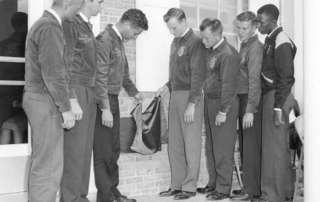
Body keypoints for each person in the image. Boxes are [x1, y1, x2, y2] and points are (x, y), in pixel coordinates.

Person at [22, 0, 84, 201]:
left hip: (41, 97)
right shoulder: (50, 27)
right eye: (79, 5)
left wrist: (71, 99)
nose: (79, 10)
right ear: (68, 3)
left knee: (46, 162)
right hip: (44, 99)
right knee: (48, 166)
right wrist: (65, 107)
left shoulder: (47, 24)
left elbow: (60, 69)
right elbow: (53, 72)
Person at [93, 8, 148, 202]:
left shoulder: (118, 42)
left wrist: (135, 93)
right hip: (104, 100)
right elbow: (99, 77)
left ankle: (114, 193)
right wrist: (104, 108)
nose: (134, 38)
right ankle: (105, 197)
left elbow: (123, 75)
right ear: (126, 25)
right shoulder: (105, 40)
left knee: (114, 150)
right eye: (135, 33)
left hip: (113, 99)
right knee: (103, 151)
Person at [157, 8, 207, 200]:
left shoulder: (195, 43)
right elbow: (178, 72)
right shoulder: (175, 42)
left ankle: (190, 186)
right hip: (176, 94)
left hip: (190, 97)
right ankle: (176, 184)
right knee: (175, 143)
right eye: (169, 28)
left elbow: (198, 76)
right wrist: (167, 86)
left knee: (191, 144)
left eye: (174, 27)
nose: (172, 31)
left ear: (184, 21)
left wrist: (192, 104)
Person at [252, 4, 297, 202]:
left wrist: (278, 106)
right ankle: (284, 193)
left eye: (260, 22)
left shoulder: (281, 39)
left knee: (274, 149)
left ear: (272, 21)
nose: (258, 26)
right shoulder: (271, 39)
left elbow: (286, 77)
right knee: (277, 148)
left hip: (278, 96)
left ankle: (271, 197)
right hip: (272, 95)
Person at [60, 1, 103, 202]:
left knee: (85, 149)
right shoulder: (71, 24)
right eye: (100, 2)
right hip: (76, 88)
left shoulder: (87, 27)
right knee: (74, 149)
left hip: (90, 89)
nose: (101, 6)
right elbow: (65, 63)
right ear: (89, 1)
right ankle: (70, 198)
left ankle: (81, 196)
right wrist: (71, 98)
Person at [199, 18, 240, 201]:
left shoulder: (228, 54)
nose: (203, 41)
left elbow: (229, 86)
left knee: (223, 147)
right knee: (212, 146)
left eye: (207, 38)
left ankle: (223, 189)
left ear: (217, 35)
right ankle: (214, 183)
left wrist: (223, 111)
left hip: (224, 104)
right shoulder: (212, 51)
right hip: (211, 101)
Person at [229, 11, 263, 201]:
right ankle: (249, 186)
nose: (240, 32)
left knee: (250, 147)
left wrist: (250, 110)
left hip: (251, 102)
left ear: (254, 27)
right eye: (239, 28)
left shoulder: (255, 48)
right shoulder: (244, 46)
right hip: (242, 99)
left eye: (245, 28)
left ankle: (251, 190)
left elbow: (254, 81)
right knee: (244, 146)